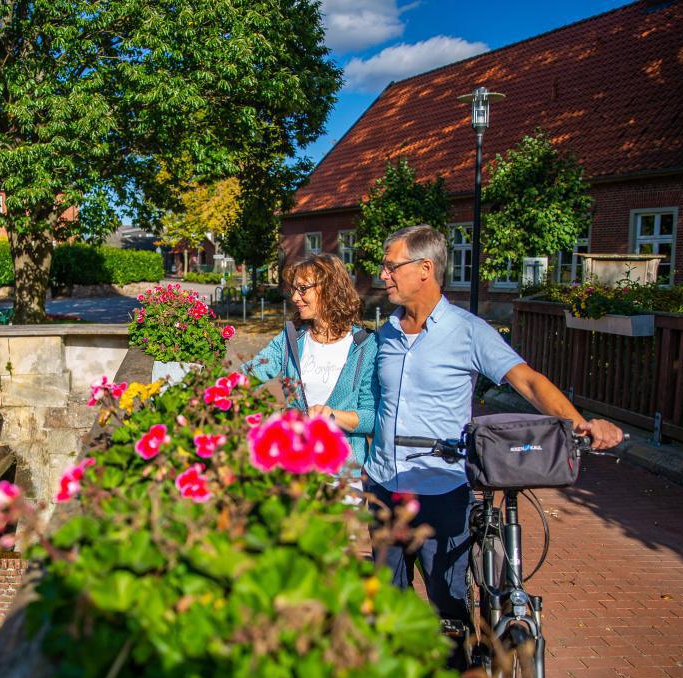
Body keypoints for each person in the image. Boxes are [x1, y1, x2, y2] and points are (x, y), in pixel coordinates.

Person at [363, 225, 623, 654]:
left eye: (391, 266)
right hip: (384, 485)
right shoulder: (385, 333)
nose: (383, 274)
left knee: (447, 604)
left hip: (440, 487)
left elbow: (528, 381)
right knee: (386, 603)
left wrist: (580, 424)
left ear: (425, 269)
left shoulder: (469, 331)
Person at [244, 253, 378, 485]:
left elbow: (370, 417)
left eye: (303, 289)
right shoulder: (292, 338)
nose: (295, 297)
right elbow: (250, 372)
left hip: (343, 475)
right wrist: (212, 389)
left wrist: (331, 415)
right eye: (294, 289)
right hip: (294, 468)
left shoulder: (364, 345)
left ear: (329, 289)